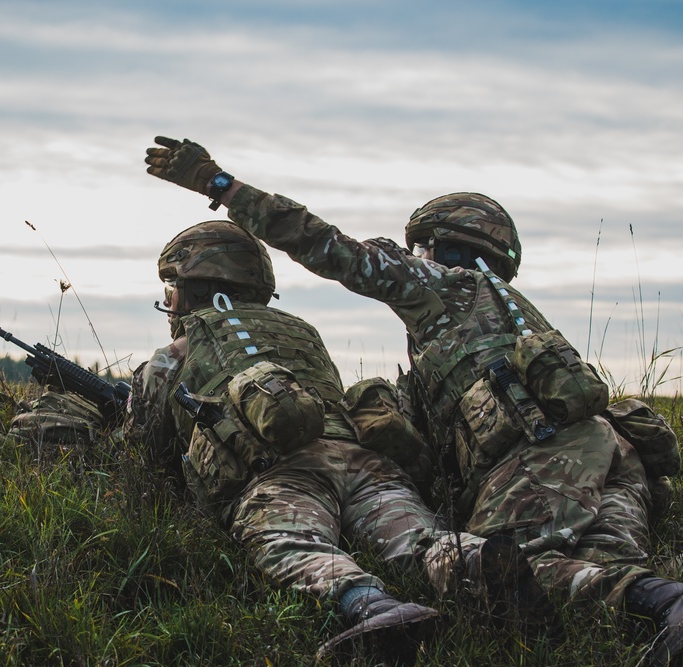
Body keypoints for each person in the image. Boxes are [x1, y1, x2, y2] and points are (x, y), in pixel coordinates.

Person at [143, 136, 683, 666]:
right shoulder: (507, 304)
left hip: (547, 457)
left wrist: (220, 186)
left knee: (505, 574)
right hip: (617, 450)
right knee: (608, 575)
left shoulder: (436, 285)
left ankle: (681, 595)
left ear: (426, 247)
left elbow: (322, 243)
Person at [126, 219, 556, 662]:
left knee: (290, 542)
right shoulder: (302, 332)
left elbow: (144, 455)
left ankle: (372, 607)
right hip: (367, 461)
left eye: (171, 288)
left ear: (193, 287)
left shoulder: (174, 354)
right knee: (417, 538)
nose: (169, 301)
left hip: (282, 475)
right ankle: (474, 562)